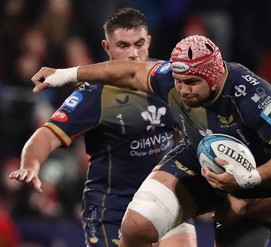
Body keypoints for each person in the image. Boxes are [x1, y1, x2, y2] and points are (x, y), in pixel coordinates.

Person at [9, 8, 197, 247]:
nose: (133, 54)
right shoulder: (94, 94)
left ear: (149, 41)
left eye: (139, 44)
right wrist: (30, 165)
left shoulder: (169, 80)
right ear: (106, 47)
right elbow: (46, 135)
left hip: (166, 197)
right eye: (123, 46)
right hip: (114, 208)